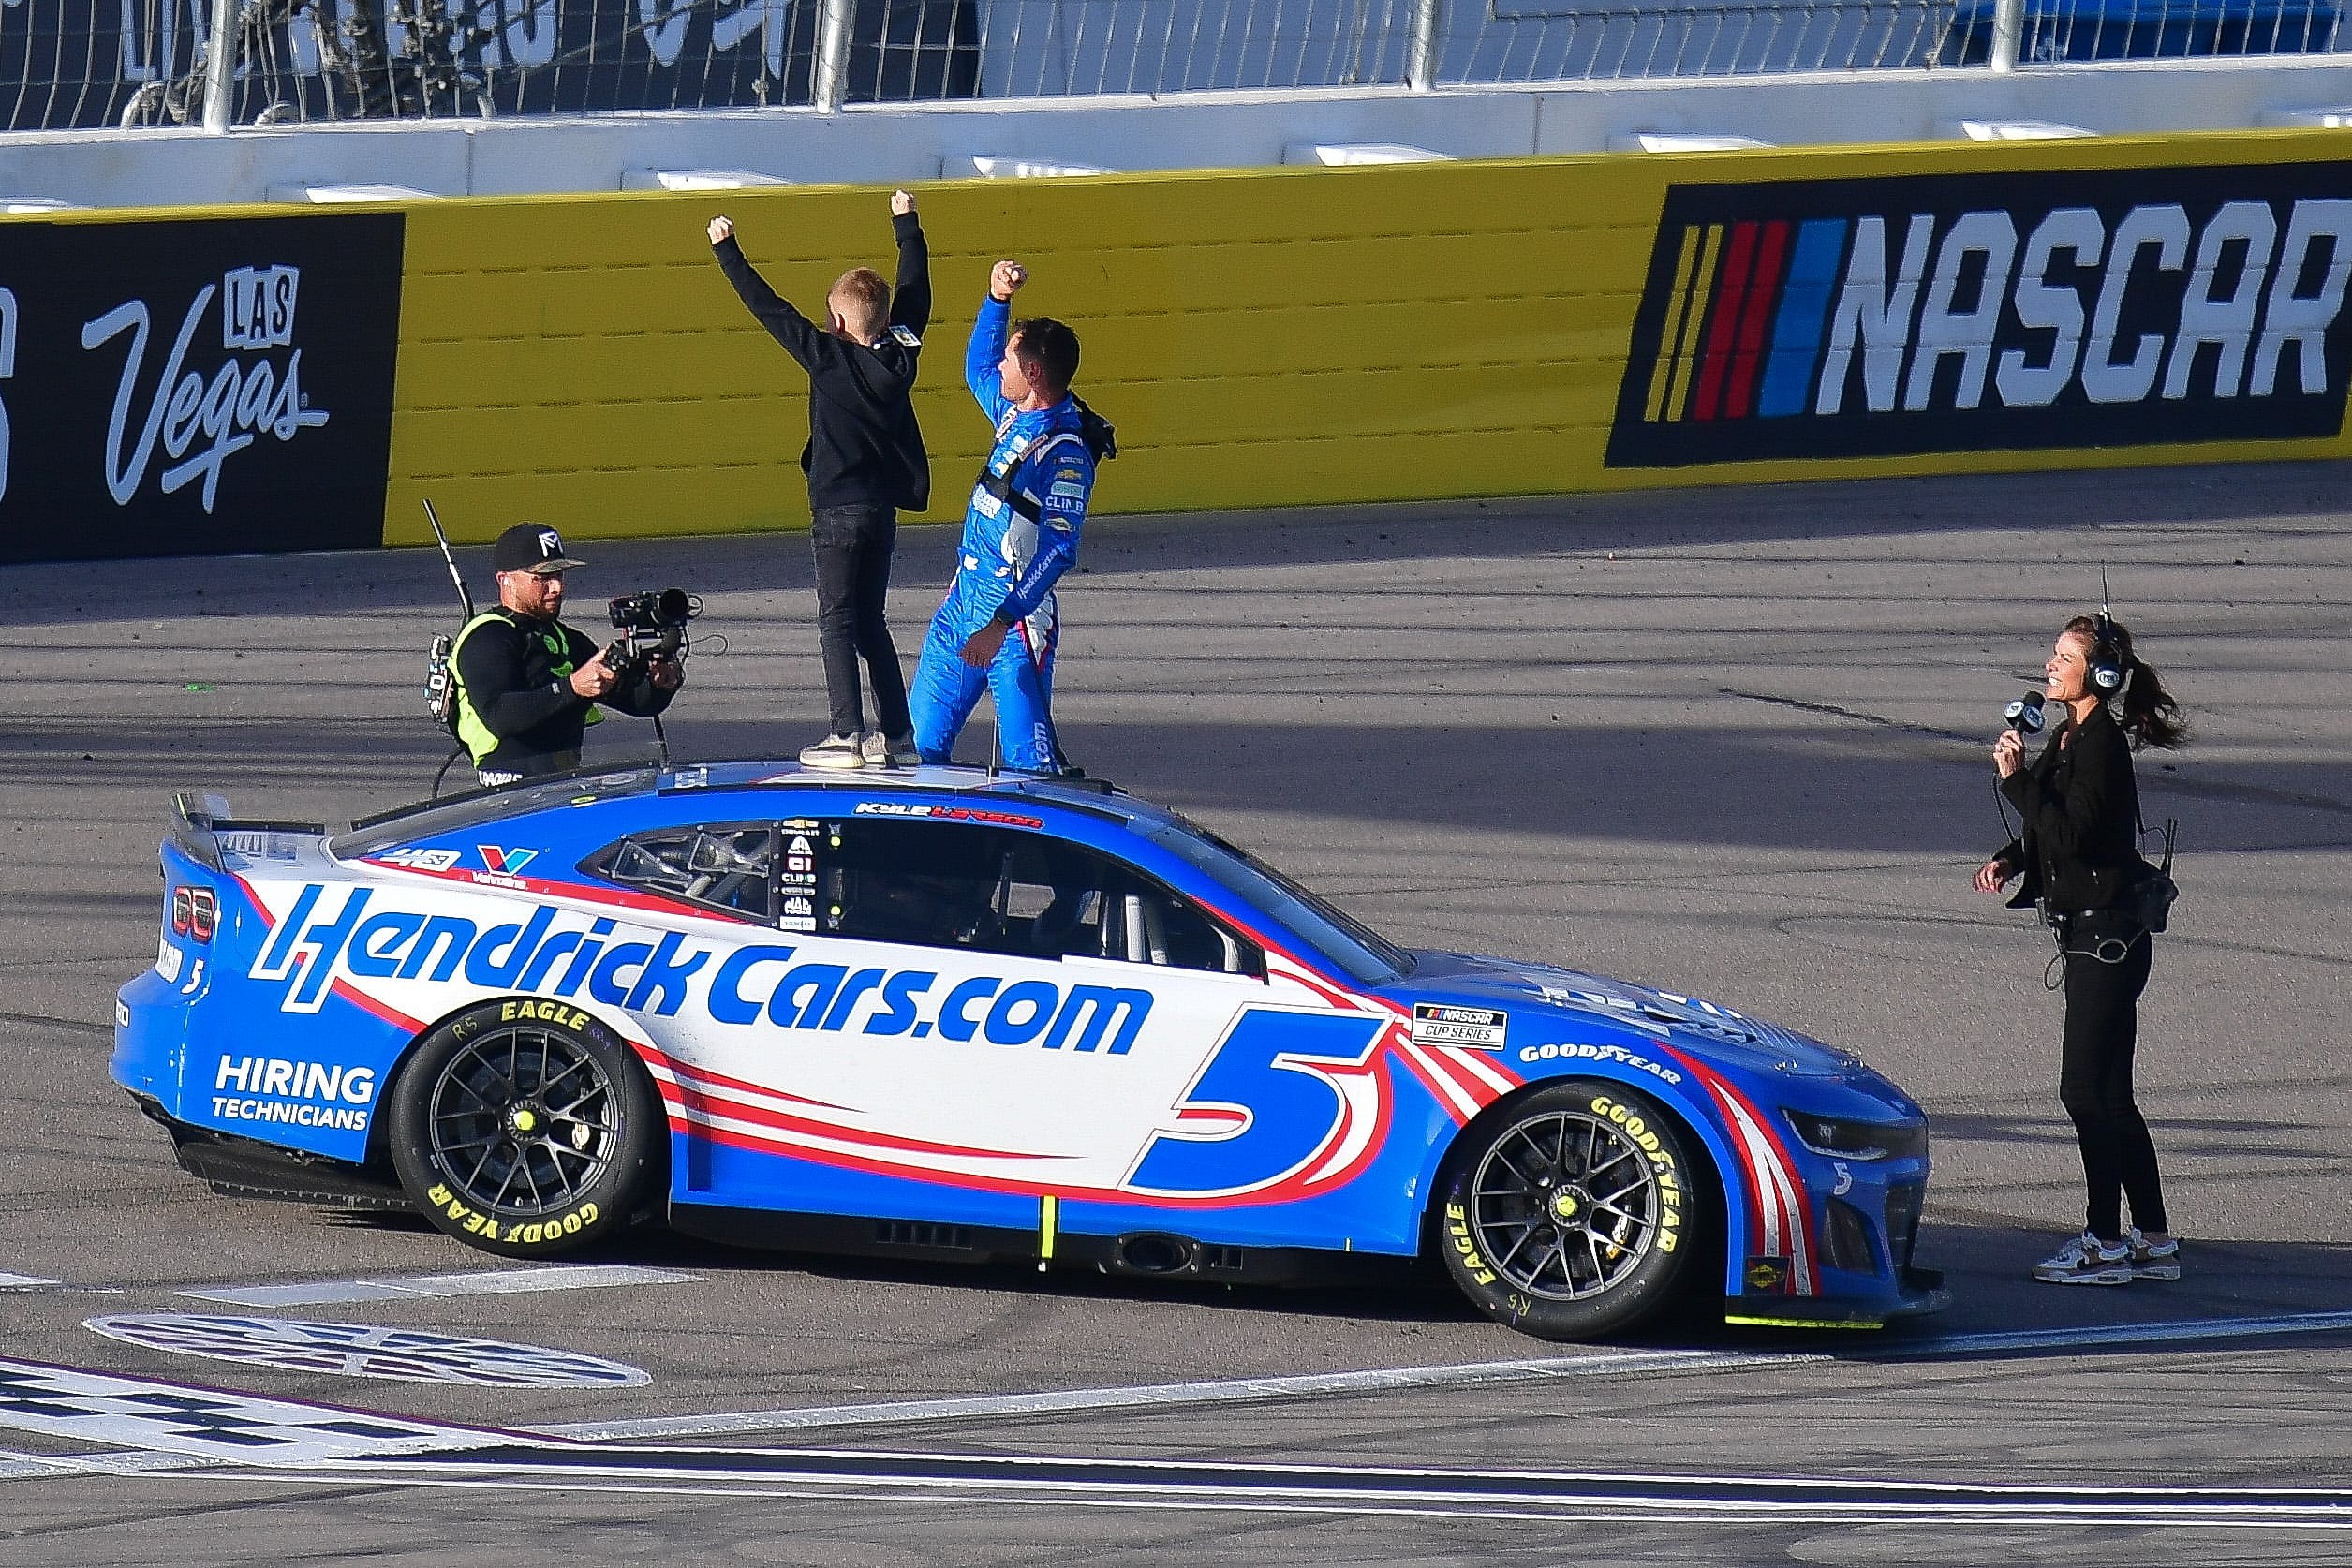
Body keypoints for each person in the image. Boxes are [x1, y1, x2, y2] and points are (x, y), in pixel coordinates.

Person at [1973, 614, 2187, 1286]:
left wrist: (2013, 781)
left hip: (2106, 937)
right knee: (2110, 1093)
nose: (2048, 665)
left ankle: (2103, 1241)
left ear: (2096, 674)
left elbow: (2073, 835)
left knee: (2082, 1090)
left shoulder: (2098, 747)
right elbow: (2051, 825)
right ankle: (2152, 1239)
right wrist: (2010, 858)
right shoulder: (2072, 737)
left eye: (2062, 656)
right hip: (2095, 934)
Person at [708, 194, 930, 772]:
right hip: (882, 509)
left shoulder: (827, 357)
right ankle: (900, 738)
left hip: (837, 509)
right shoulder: (902, 349)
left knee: (836, 619)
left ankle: (846, 737)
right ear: (884, 321)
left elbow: (770, 309)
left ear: (835, 322)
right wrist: (907, 226)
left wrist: (727, 252)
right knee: (870, 621)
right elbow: (915, 289)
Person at [907, 260, 1096, 774]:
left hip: (1012, 623)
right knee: (916, 746)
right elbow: (976, 369)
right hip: (962, 602)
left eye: (1011, 359)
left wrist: (1002, 621)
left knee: (1029, 773)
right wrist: (996, 300)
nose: (1000, 370)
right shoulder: (1013, 411)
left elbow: (1059, 550)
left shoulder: (1065, 453)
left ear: (1033, 374)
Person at [451, 523, 683, 788]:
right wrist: (572, 687)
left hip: (563, 782)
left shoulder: (568, 640)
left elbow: (637, 701)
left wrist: (659, 683)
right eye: (542, 578)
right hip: (508, 791)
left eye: (559, 575)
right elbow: (500, 716)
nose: (556, 587)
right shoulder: (486, 637)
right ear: (505, 580)